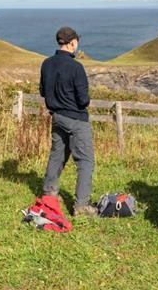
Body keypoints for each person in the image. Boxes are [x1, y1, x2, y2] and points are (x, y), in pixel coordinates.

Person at [40, 26, 96, 217]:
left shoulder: (46, 64)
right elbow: (83, 100)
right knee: (86, 161)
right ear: (72, 42)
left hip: (56, 117)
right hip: (76, 119)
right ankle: (81, 206)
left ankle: (49, 194)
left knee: (57, 155)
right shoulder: (76, 67)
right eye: (76, 43)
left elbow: (42, 91)